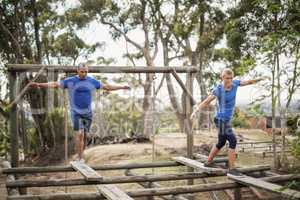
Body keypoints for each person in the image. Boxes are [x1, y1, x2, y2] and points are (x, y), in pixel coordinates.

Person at [29, 63, 130, 163]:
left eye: (86, 72)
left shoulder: (92, 81)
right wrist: (39, 84)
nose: (84, 73)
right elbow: (55, 84)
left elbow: (107, 87)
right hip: (76, 112)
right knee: (80, 134)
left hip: (88, 113)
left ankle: (81, 154)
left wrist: (122, 87)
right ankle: (80, 158)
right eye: (82, 71)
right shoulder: (71, 81)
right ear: (77, 71)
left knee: (85, 135)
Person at [191, 68, 268, 176]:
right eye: (227, 78)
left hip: (226, 120)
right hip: (220, 120)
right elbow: (206, 102)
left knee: (221, 142)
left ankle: (208, 162)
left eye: (231, 78)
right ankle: (232, 169)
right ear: (222, 77)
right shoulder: (218, 90)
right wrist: (195, 111)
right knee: (233, 140)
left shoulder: (235, 84)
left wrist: (260, 78)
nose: (229, 80)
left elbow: (248, 82)